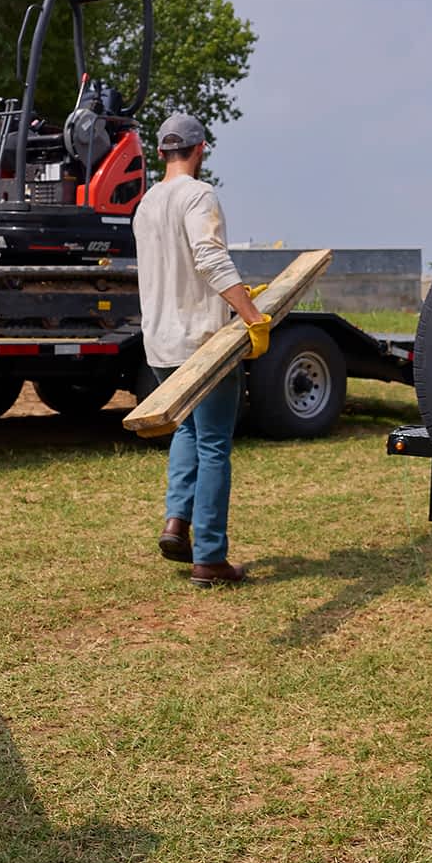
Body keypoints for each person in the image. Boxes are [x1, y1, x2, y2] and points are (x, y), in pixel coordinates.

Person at [134, 112, 266, 587]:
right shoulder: (199, 195)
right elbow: (208, 258)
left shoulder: (146, 203)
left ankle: (176, 523)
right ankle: (210, 557)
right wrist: (252, 316)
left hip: (160, 344)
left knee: (188, 433)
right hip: (201, 343)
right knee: (213, 445)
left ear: (162, 150)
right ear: (200, 148)